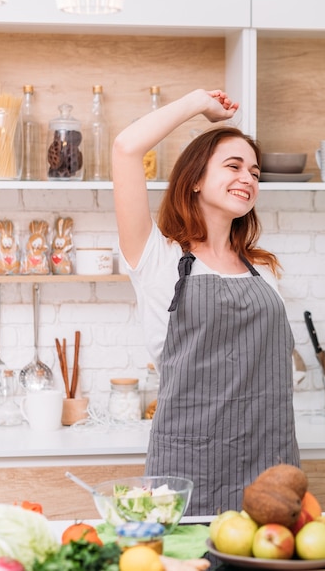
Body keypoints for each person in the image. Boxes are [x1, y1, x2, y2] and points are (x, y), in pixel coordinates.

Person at [112, 88, 300, 516]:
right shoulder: (156, 257)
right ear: (195, 179)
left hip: (270, 464)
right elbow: (125, 149)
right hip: (186, 466)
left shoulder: (263, 271)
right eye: (233, 166)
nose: (248, 178)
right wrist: (199, 102)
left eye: (254, 172)